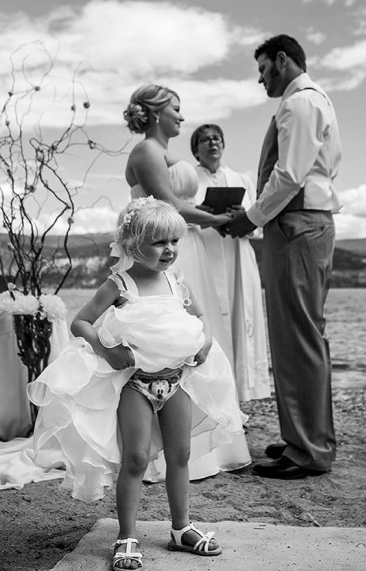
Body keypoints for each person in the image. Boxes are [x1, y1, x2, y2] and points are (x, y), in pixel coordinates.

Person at [27, 198, 251, 571]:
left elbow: (200, 316)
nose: (169, 250)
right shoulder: (119, 284)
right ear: (133, 244)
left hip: (177, 381)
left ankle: (181, 528)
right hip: (137, 386)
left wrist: (207, 340)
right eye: (159, 242)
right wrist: (106, 349)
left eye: (174, 242)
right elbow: (81, 322)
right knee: (135, 459)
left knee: (180, 455)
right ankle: (126, 536)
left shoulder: (177, 281)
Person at [227, 34, 342, 479]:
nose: (260, 79)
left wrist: (249, 218)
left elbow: (290, 175)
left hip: (296, 225)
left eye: (262, 70)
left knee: (298, 336)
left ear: (282, 60)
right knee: (297, 335)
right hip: (300, 224)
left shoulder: (300, 103)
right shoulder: (309, 101)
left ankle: (309, 449)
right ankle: (303, 436)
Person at [123, 84, 251, 481]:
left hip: (184, 250)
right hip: (160, 255)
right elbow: (171, 205)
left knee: (194, 335)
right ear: (155, 112)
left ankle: (196, 439)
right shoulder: (147, 151)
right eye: (175, 109)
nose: (181, 116)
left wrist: (209, 214)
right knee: (167, 340)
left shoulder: (165, 153)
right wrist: (219, 219)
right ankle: (159, 446)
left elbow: (181, 206)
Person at [191, 123, 270, 403]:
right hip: (206, 253)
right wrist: (200, 213)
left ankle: (241, 391)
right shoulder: (190, 180)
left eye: (217, 138)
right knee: (210, 319)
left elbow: (257, 224)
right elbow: (183, 216)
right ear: (196, 149)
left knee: (240, 319)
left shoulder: (241, 180)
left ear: (223, 144)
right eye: (205, 140)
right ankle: (211, 391)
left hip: (238, 254)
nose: (212, 143)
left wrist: (243, 215)